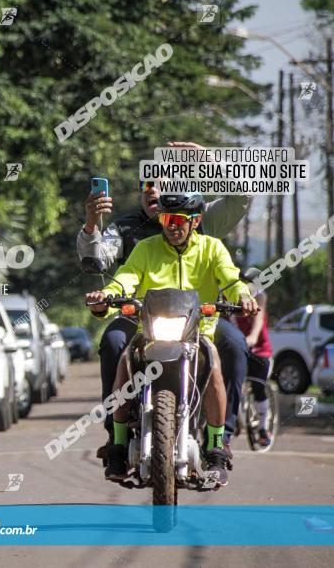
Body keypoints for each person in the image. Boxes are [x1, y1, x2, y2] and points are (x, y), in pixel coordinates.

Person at [78, 143, 251, 460]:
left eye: (162, 184)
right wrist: (91, 225)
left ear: (193, 217)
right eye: (148, 184)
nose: (173, 224)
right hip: (141, 318)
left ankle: (221, 438)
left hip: (201, 320)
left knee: (236, 345)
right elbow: (106, 267)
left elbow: (240, 204)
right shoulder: (129, 232)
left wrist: (209, 158)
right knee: (114, 342)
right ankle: (117, 435)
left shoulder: (207, 233)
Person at [236, 267, 274, 447]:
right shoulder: (230, 296)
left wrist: (251, 338)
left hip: (259, 350)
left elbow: (258, 322)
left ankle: (263, 428)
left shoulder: (260, 296)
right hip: (237, 348)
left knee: (258, 387)